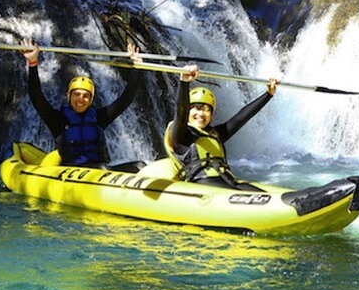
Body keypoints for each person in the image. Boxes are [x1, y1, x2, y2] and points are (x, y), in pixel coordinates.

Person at [21, 38, 142, 167]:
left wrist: (137, 67)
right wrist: (33, 62)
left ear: (90, 100)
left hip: (102, 170)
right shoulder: (57, 119)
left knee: (140, 165)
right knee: (102, 168)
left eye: (86, 96)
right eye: (76, 94)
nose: (80, 99)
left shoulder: (100, 117)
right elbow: (36, 97)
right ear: (69, 96)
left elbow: (125, 99)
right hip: (73, 173)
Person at [164, 65, 279, 191]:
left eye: (207, 110)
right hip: (202, 185)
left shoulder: (216, 134)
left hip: (228, 181)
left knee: (261, 193)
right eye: (197, 108)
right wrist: (184, 82)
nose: (201, 114)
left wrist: (268, 94)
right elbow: (181, 111)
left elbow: (241, 117)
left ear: (211, 116)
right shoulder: (181, 134)